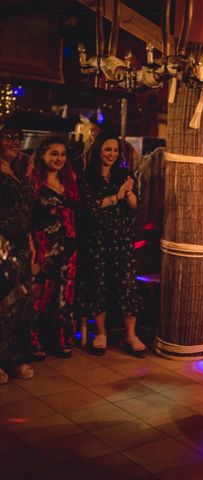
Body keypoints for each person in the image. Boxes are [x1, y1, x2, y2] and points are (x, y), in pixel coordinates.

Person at [76, 134, 144, 357]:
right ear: (98, 151)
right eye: (107, 149)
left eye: (115, 150)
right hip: (97, 238)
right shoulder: (87, 177)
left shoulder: (123, 174)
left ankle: (130, 335)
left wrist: (128, 192)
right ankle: (101, 334)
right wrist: (116, 196)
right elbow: (92, 208)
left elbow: (135, 206)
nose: (112, 154)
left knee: (126, 285)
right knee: (99, 283)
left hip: (121, 238)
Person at [29, 138, 78, 360]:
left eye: (63, 154)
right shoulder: (32, 183)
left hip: (69, 248)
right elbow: (27, 220)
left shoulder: (71, 181)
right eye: (54, 154)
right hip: (43, 248)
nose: (59, 158)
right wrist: (31, 249)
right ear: (42, 155)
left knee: (64, 297)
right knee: (39, 296)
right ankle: (34, 341)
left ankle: (61, 339)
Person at [0, 123, 35, 383]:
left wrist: (31, 243)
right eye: (8, 137)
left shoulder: (18, 173)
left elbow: (26, 213)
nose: (15, 142)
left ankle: (15, 359)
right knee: (3, 305)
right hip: (2, 248)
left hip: (22, 246)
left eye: (18, 137)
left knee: (20, 304)